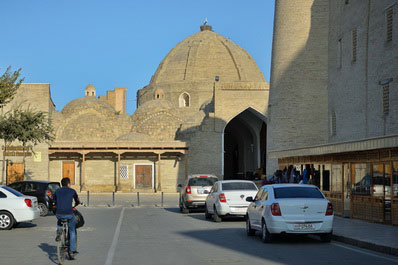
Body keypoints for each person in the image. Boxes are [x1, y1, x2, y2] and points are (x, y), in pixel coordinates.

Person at [54, 177, 80, 260]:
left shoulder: (57, 191)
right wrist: (76, 204)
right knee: (72, 231)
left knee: (59, 220)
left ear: (61, 184)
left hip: (59, 213)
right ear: (68, 184)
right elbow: (77, 200)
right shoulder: (72, 191)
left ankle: (59, 230)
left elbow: (54, 200)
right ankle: (72, 251)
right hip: (69, 213)